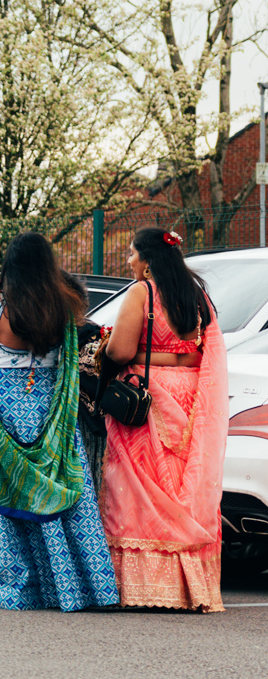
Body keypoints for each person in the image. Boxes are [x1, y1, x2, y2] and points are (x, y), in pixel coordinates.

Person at [0, 232, 118, 611]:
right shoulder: (62, 307)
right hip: (52, 417)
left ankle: (22, 587)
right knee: (62, 490)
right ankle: (78, 587)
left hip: (4, 418)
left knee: (9, 492)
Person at [101, 227, 227, 611]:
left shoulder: (142, 291)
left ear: (147, 261)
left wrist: (109, 346)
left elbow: (121, 351)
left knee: (138, 486)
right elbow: (197, 353)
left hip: (148, 395)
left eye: (132, 253)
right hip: (189, 396)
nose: (129, 261)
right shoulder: (197, 294)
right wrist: (173, 358)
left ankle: (143, 587)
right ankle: (188, 587)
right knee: (180, 485)